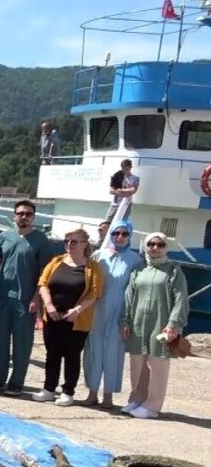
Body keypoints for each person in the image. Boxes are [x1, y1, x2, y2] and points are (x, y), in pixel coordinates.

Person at [0, 200, 54, 395]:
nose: (24, 217)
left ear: (33, 217)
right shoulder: (4, 236)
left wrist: (36, 299)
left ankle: (16, 383)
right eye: (20, 213)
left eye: (28, 214)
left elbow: (44, 272)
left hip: (25, 299)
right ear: (14, 215)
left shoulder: (40, 240)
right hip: (3, 295)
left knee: (22, 343)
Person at [121, 232, 190, 419]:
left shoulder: (174, 270)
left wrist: (173, 324)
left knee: (158, 364)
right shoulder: (139, 269)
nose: (155, 248)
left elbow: (180, 299)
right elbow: (129, 297)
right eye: (151, 244)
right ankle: (137, 399)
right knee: (138, 364)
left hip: (161, 324)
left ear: (165, 247)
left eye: (160, 245)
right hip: (138, 324)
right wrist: (125, 320)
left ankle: (152, 406)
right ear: (145, 246)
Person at [32, 229, 102, 406]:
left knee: (72, 355)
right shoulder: (56, 261)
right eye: (67, 241)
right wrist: (48, 305)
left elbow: (94, 293)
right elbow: (43, 283)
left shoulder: (93, 268)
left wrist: (78, 310)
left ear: (85, 244)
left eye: (74, 241)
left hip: (76, 319)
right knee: (52, 354)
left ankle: (68, 392)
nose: (69, 244)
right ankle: (48, 389)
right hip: (53, 316)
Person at [83, 219, 144, 409]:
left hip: (120, 312)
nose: (120, 237)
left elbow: (136, 290)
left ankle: (108, 394)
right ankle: (92, 392)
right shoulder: (98, 255)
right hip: (97, 309)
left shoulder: (135, 260)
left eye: (124, 234)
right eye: (116, 233)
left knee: (113, 352)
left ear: (129, 236)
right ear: (110, 235)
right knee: (93, 350)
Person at [106, 159, 139, 224]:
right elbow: (111, 191)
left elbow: (133, 190)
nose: (123, 170)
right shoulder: (117, 176)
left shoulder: (135, 178)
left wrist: (121, 190)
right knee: (107, 222)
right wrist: (125, 194)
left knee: (121, 223)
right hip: (114, 204)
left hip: (125, 205)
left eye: (125, 168)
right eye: (122, 168)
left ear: (130, 167)